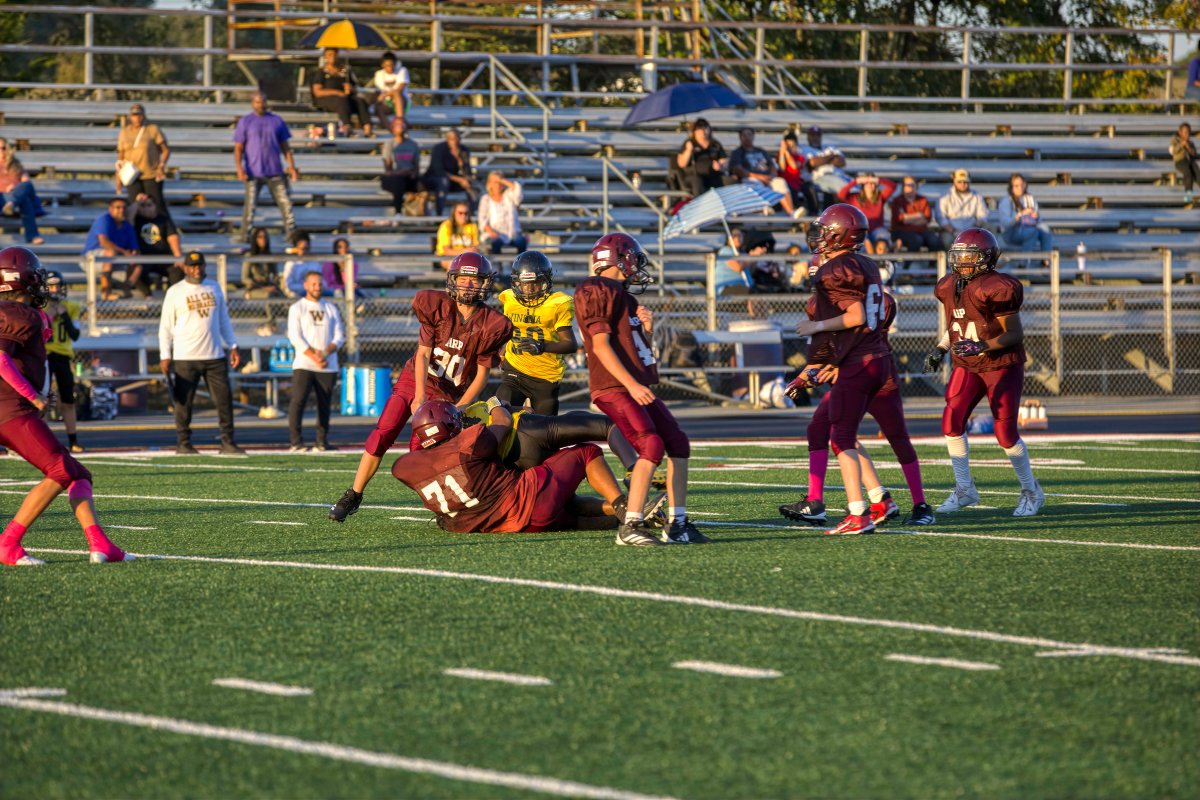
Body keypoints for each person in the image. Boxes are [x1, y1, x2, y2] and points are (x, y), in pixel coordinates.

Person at [327, 253, 512, 522]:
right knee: (384, 431)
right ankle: (353, 495)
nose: (468, 285)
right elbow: (423, 354)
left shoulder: (492, 324)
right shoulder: (437, 307)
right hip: (417, 379)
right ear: (453, 280)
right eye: (463, 279)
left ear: (484, 284)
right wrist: (420, 395)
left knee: (424, 452)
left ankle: (448, 505)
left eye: (474, 280)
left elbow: (482, 375)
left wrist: (460, 407)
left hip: (448, 394)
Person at [575, 232, 711, 546]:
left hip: (632, 385)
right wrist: (631, 384)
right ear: (619, 259)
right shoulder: (596, 289)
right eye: (633, 259)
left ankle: (678, 524)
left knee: (677, 442)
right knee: (651, 444)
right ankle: (631, 525)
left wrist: (647, 332)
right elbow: (600, 346)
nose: (636, 266)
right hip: (614, 386)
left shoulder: (626, 298)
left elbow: (636, 351)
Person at [0, 246, 132, 566]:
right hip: (10, 411)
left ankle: (101, 545)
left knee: (78, 473)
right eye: (37, 275)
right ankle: (8, 543)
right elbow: (0, 358)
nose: (42, 283)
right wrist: (33, 395)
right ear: (23, 279)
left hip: (11, 410)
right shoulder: (19, 314)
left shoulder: (18, 313)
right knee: (61, 470)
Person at [780, 288, 935, 527]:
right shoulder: (822, 306)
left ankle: (919, 505)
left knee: (896, 438)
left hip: (875, 378)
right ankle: (853, 500)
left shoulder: (873, 304)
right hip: (850, 378)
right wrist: (802, 378)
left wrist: (829, 368)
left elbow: (861, 347)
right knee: (824, 429)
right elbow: (824, 353)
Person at [788, 204, 895, 535]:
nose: (819, 236)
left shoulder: (838, 269)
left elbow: (855, 317)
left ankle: (858, 512)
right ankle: (878, 499)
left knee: (841, 437)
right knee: (837, 430)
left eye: (824, 230)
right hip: (874, 358)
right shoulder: (865, 263)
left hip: (860, 362)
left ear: (838, 234)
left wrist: (816, 326)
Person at [925, 228, 1044, 517]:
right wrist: (941, 348)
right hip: (968, 364)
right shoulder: (948, 285)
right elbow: (957, 324)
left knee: (1005, 432)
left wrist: (982, 345)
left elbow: (1014, 333)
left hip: (1000, 364)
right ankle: (965, 489)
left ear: (986, 258)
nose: (962, 261)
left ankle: (1031, 491)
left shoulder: (997, 287)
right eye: (959, 255)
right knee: (951, 420)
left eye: (969, 256)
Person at [392, 400, 637, 534]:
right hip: (529, 500)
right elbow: (504, 421)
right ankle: (625, 507)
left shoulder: (405, 468)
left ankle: (625, 516)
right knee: (586, 452)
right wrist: (495, 403)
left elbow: (415, 469)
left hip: (512, 527)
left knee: (572, 514)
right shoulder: (469, 444)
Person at [158, 251, 244, 456]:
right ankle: (184, 442)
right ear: (185, 268)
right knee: (184, 403)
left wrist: (232, 344)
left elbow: (223, 319)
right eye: (192, 266)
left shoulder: (214, 287)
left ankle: (228, 441)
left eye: (200, 265)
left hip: (214, 355)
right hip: (186, 356)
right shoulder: (175, 291)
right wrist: (165, 354)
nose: (197, 269)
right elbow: (166, 326)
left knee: (224, 400)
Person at [495, 250, 576, 415]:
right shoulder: (509, 299)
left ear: (546, 282)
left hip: (545, 376)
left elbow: (570, 344)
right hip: (515, 370)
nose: (530, 289)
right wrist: (502, 350)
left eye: (536, 283)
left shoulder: (557, 304)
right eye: (525, 284)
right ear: (516, 283)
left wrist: (542, 346)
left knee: (544, 426)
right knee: (500, 410)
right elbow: (509, 330)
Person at [287, 271, 344, 452]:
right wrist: (314, 356)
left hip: (327, 366)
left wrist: (324, 353)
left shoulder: (331, 308)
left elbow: (339, 336)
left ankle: (321, 442)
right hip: (304, 364)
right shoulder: (297, 308)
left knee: (324, 405)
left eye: (319, 283)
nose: (317, 287)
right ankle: (296, 442)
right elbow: (295, 336)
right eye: (313, 284)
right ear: (306, 286)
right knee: (298, 401)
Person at [234, 91, 299, 244]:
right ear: (252, 103)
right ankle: (245, 236)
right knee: (250, 208)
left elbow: (285, 146)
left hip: (274, 170)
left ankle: (292, 235)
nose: (260, 105)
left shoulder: (276, 121)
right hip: (253, 171)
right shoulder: (245, 121)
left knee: (286, 205)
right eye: (257, 102)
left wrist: (292, 166)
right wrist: (239, 168)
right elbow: (238, 147)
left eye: (262, 101)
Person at [43, 271, 85, 454]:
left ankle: (73, 441)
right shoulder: (39, 307)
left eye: (57, 286)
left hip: (63, 357)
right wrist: (49, 317)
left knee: (68, 400)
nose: (55, 289)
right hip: (44, 357)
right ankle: (44, 442)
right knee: (43, 400)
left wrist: (64, 315)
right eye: (51, 286)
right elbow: (37, 333)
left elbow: (75, 335)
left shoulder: (72, 306)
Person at [115, 103, 171, 214]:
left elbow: (165, 150)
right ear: (130, 116)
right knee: (134, 206)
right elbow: (121, 156)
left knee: (156, 206)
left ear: (143, 115)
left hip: (150, 174)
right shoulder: (124, 132)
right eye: (134, 115)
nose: (137, 118)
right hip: (132, 175)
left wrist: (161, 166)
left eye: (139, 115)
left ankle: (161, 225)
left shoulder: (152, 129)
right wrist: (118, 177)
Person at [728, 126, 796, 216]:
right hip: (750, 178)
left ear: (753, 136)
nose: (747, 137)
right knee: (754, 184)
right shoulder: (737, 152)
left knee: (780, 182)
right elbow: (738, 169)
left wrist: (771, 176)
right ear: (740, 137)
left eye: (749, 134)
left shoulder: (761, 151)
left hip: (767, 178)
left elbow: (772, 165)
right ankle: (765, 209)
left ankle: (791, 213)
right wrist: (759, 177)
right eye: (744, 135)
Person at [81, 197, 140, 301]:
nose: (121, 210)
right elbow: (104, 242)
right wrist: (125, 252)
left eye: (124, 208)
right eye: (118, 207)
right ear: (110, 209)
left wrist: (133, 255)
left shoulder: (127, 226)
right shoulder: (104, 219)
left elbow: (134, 248)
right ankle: (106, 293)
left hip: (115, 258)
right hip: (91, 258)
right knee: (110, 253)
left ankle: (125, 289)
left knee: (138, 263)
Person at [310, 48, 373, 137]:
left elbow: (354, 88)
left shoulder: (345, 71)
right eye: (330, 55)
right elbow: (317, 91)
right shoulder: (322, 72)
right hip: (327, 100)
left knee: (360, 101)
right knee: (341, 101)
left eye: (334, 54)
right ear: (325, 57)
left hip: (345, 99)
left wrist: (350, 88)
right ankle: (347, 128)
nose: (333, 57)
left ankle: (367, 129)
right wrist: (336, 92)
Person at [997, 173, 1053, 266]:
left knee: (1045, 229)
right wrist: (1019, 215)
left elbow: (1039, 220)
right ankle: (1024, 262)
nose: (1020, 188)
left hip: (1028, 227)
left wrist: (1036, 216)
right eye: (1016, 186)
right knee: (1032, 232)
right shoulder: (1006, 201)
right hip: (1011, 231)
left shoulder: (1030, 198)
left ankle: (1046, 260)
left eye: (1021, 185)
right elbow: (1005, 224)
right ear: (1011, 187)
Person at [131, 193, 183, 292]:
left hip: (163, 256)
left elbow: (172, 236)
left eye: (149, 205)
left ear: (155, 206)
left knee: (178, 269)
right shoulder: (135, 219)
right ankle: (148, 296)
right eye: (142, 206)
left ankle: (172, 294)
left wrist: (177, 255)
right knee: (135, 271)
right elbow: (127, 215)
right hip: (143, 258)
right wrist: (136, 203)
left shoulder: (163, 219)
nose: (146, 208)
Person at [837, 172, 897, 257]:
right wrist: (857, 181)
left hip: (877, 229)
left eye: (873, 183)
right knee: (864, 241)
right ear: (863, 185)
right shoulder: (855, 197)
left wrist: (877, 179)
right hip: (862, 229)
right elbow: (841, 194)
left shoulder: (880, 196)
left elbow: (893, 186)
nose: (870, 185)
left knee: (884, 235)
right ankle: (868, 260)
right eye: (867, 183)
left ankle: (886, 259)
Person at [889, 175, 941, 268]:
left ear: (916, 186)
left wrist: (907, 218)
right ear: (903, 187)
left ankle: (931, 269)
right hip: (901, 232)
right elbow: (899, 219)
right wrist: (919, 215)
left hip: (921, 231)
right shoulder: (897, 201)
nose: (910, 187)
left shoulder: (923, 200)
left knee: (935, 240)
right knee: (916, 240)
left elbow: (927, 218)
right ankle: (906, 269)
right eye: (907, 185)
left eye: (912, 185)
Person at [0, 138, 45, 245]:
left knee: (26, 188)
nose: (1, 151)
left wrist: (15, 188)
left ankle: (12, 203)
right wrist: (5, 189)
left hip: (17, 199)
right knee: (25, 200)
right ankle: (32, 235)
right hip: (2, 198)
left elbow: (26, 183)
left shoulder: (16, 164)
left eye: (3, 148)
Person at [423, 129, 476, 216]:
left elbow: (467, 171)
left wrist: (461, 164)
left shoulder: (464, 150)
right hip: (435, 179)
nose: (454, 140)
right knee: (444, 182)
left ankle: (473, 213)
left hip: (454, 181)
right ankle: (439, 215)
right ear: (447, 139)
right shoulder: (438, 149)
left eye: (456, 138)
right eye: (451, 138)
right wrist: (460, 180)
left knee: (474, 185)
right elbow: (439, 171)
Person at [672, 118, 727, 198]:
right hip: (693, 176)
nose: (703, 131)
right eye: (700, 129)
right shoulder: (689, 143)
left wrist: (720, 165)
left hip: (712, 175)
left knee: (727, 181)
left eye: (705, 128)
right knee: (697, 181)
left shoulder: (715, 144)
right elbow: (681, 164)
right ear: (695, 131)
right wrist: (688, 150)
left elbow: (724, 160)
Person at [478, 171, 528, 255]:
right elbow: (482, 220)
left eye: (500, 182)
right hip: (493, 234)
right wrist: (492, 233)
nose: (498, 185)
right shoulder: (485, 199)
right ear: (489, 184)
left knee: (522, 242)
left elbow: (518, 193)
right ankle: (497, 263)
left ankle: (519, 262)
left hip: (512, 234)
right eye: (495, 182)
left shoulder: (509, 195)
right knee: (496, 243)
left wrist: (502, 180)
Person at [935, 168, 989, 246]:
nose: (963, 184)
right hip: (951, 231)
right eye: (959, 182)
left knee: (989, 231)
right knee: (947, 241)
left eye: (965, 182)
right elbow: (941, 218)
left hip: (972, 231)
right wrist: (953, 231)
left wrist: (973, 231)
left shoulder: (977, 195)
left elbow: (982, 216)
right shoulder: (945, 196)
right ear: (954, 181)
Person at [800, 126, 852, 205]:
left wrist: (822, 159)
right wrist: (831, 156)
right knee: (846, 188)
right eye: (813, 135)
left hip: (838, 175)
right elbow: (813, 163)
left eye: (818, 135)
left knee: (856, 184)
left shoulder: (829, 147)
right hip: (819, 178)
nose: (815, 138)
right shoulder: (804, 149)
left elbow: (842, 162)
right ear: (808, 137)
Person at [380, 118, 422, 216]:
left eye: (402, 124)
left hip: (409, 177)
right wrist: (401, 172)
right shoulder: (389, 144)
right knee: (398, 181)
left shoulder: (413, 145)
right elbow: (388, 171)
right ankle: (398, 213)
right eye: (397, 124)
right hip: (394, 178)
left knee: (425, 183)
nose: (400, 126)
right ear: (393, 128)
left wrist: (413, 173)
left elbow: (416, 167)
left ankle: (426, 214)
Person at [777, 130, 819, 216]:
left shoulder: (800, 157)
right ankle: (795, 213)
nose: (790, 148)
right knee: (790, 189)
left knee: (811, 189)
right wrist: (782, 151)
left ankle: (814, 214)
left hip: (797, 183)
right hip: (787, 184)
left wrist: (786, 151)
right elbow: (782, 168)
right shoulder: (781, 156)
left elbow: (794, 166)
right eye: (788, 146)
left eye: (792, 145)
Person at [371, 51, 410, 130]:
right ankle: (393, 130)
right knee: (378, 108)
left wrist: (384, 95)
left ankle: (399, 119)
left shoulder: (402, 70)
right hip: (387, 104)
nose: (390, 67)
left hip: (402, 102)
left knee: (396, 92)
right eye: (387, 65)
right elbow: (381, 90)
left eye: (392, 65)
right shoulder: (379, 74)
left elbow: (400, 88)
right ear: (382, 65)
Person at [435, 202, 480, 269]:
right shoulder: (446, 226)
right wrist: (466, 251)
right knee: (453, 264)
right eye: (460, 213)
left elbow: (474, 249)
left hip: (466, 257)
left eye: (466, 213)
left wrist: (467, 252)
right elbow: (447, 251)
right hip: (445, 258)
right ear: (454, 214)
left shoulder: (473, 226)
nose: (463, 216)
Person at [241, 226, 282, 299]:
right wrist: (260, 286)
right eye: (260, 237)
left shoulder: (270, 256)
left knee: (282, 295)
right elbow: (244, 278)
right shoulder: (249, 256)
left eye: (265, 237)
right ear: (255, 239)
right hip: (254, 289)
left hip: (269, 286)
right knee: (269, 295)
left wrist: (274, 283)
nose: (263, 239)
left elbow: (275, 275)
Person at [281, 232, 323, 297]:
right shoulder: (291, 264)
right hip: (297, 295)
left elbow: (322, 282)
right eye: (302, 249)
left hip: (314, 294)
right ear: (296, 248)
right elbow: (289, 285)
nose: (305, 251)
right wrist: (307, 287)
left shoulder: (315, 264)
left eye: (307, 249)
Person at [713, 227, 753, 294]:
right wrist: (751, 257)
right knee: (752, 293)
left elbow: (751, 270)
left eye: (740, 235)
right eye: (734, 236)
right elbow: (737, 267)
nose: (737, 238)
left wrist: (756, 257)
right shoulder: (725, 251)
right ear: (728, 239)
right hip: (727, 287)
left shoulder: (742, 253)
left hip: (743, 286)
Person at [1169, 123, 1199, 205]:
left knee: (1198, 175)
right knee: (1188, 173)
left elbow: (1194, 154)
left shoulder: (1190, 143)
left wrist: (1189, 147)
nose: (1187, 134)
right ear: (1180, 132)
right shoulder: (1175, 140)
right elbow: (1172, 151)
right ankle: (1188, 196)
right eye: (1185, 132)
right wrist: (1181, 145)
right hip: (1180, 161)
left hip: (1190, 161)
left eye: (1188, 132)